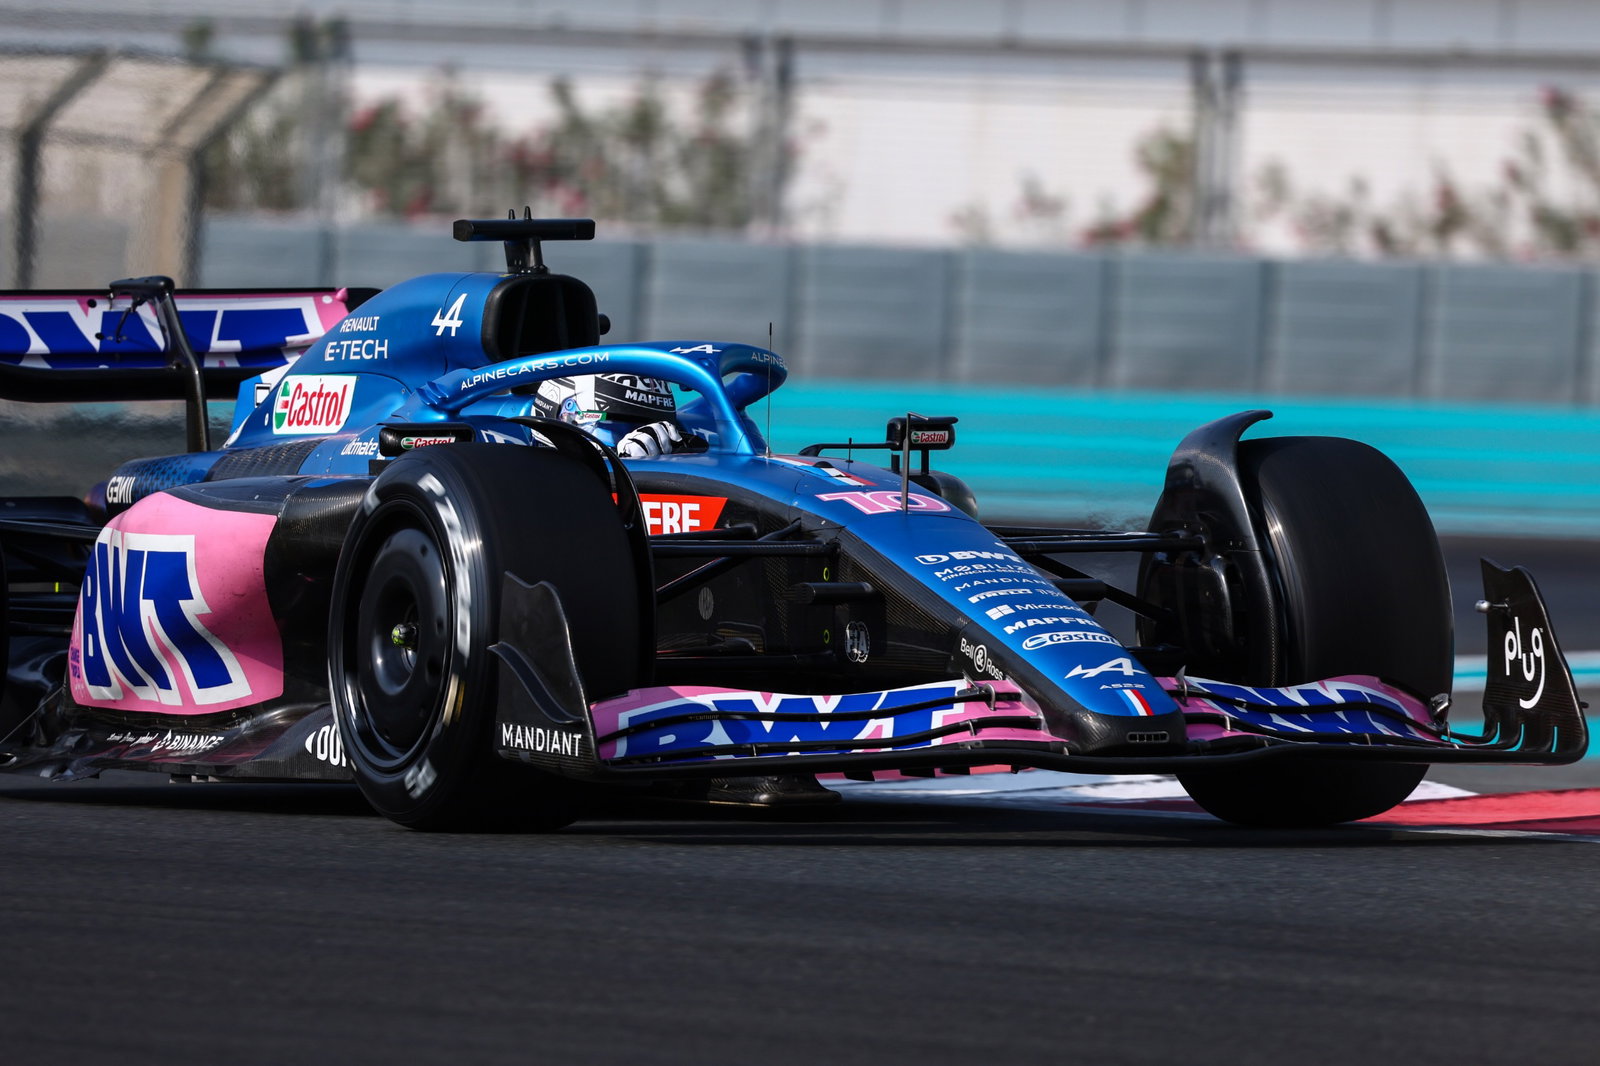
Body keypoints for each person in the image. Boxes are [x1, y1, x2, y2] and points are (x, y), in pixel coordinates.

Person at [534, 372, 839, 809]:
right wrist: (617, 479)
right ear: (569, 420)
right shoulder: (526, 488)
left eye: (658, 424)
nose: (651, 437)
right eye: (628, 423)